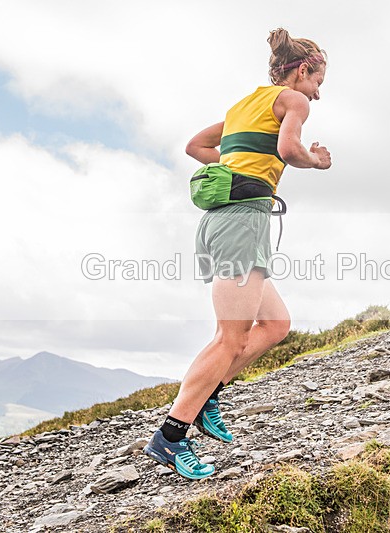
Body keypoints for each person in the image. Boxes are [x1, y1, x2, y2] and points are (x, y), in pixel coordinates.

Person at [143, 29, 331, 480]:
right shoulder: (292, 101)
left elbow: (195, 146)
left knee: (276, 324)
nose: (317, 94)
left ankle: (208, 394)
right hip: (242, 223)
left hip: (224, 222)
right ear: (302, 71)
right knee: (229, 338)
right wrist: (316, 161)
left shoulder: (244, 106)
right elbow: (289, 149)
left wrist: (234, 170)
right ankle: (170, 436)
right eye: (317, 81)